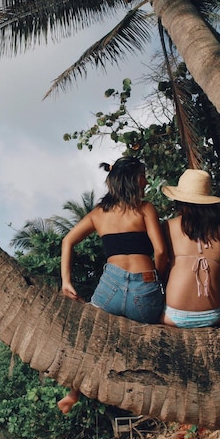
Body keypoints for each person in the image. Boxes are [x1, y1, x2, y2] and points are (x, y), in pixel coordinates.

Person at [58, 157, 168, 414]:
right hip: (145, 285)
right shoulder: (145, 209)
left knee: (90, 338)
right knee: (152, 337)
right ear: (133, 180)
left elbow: (67, 241)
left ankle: (74, 393)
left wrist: (66, 282)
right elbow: (161, 251)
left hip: (111, 289)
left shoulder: (98, 214)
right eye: (143, 175)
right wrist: (159, 279)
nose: (147, 180)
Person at [160, 169, 220, 328]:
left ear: (180, 201)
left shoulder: (169, 227)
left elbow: (164, 267)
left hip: (174, 315)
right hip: (213, 314)